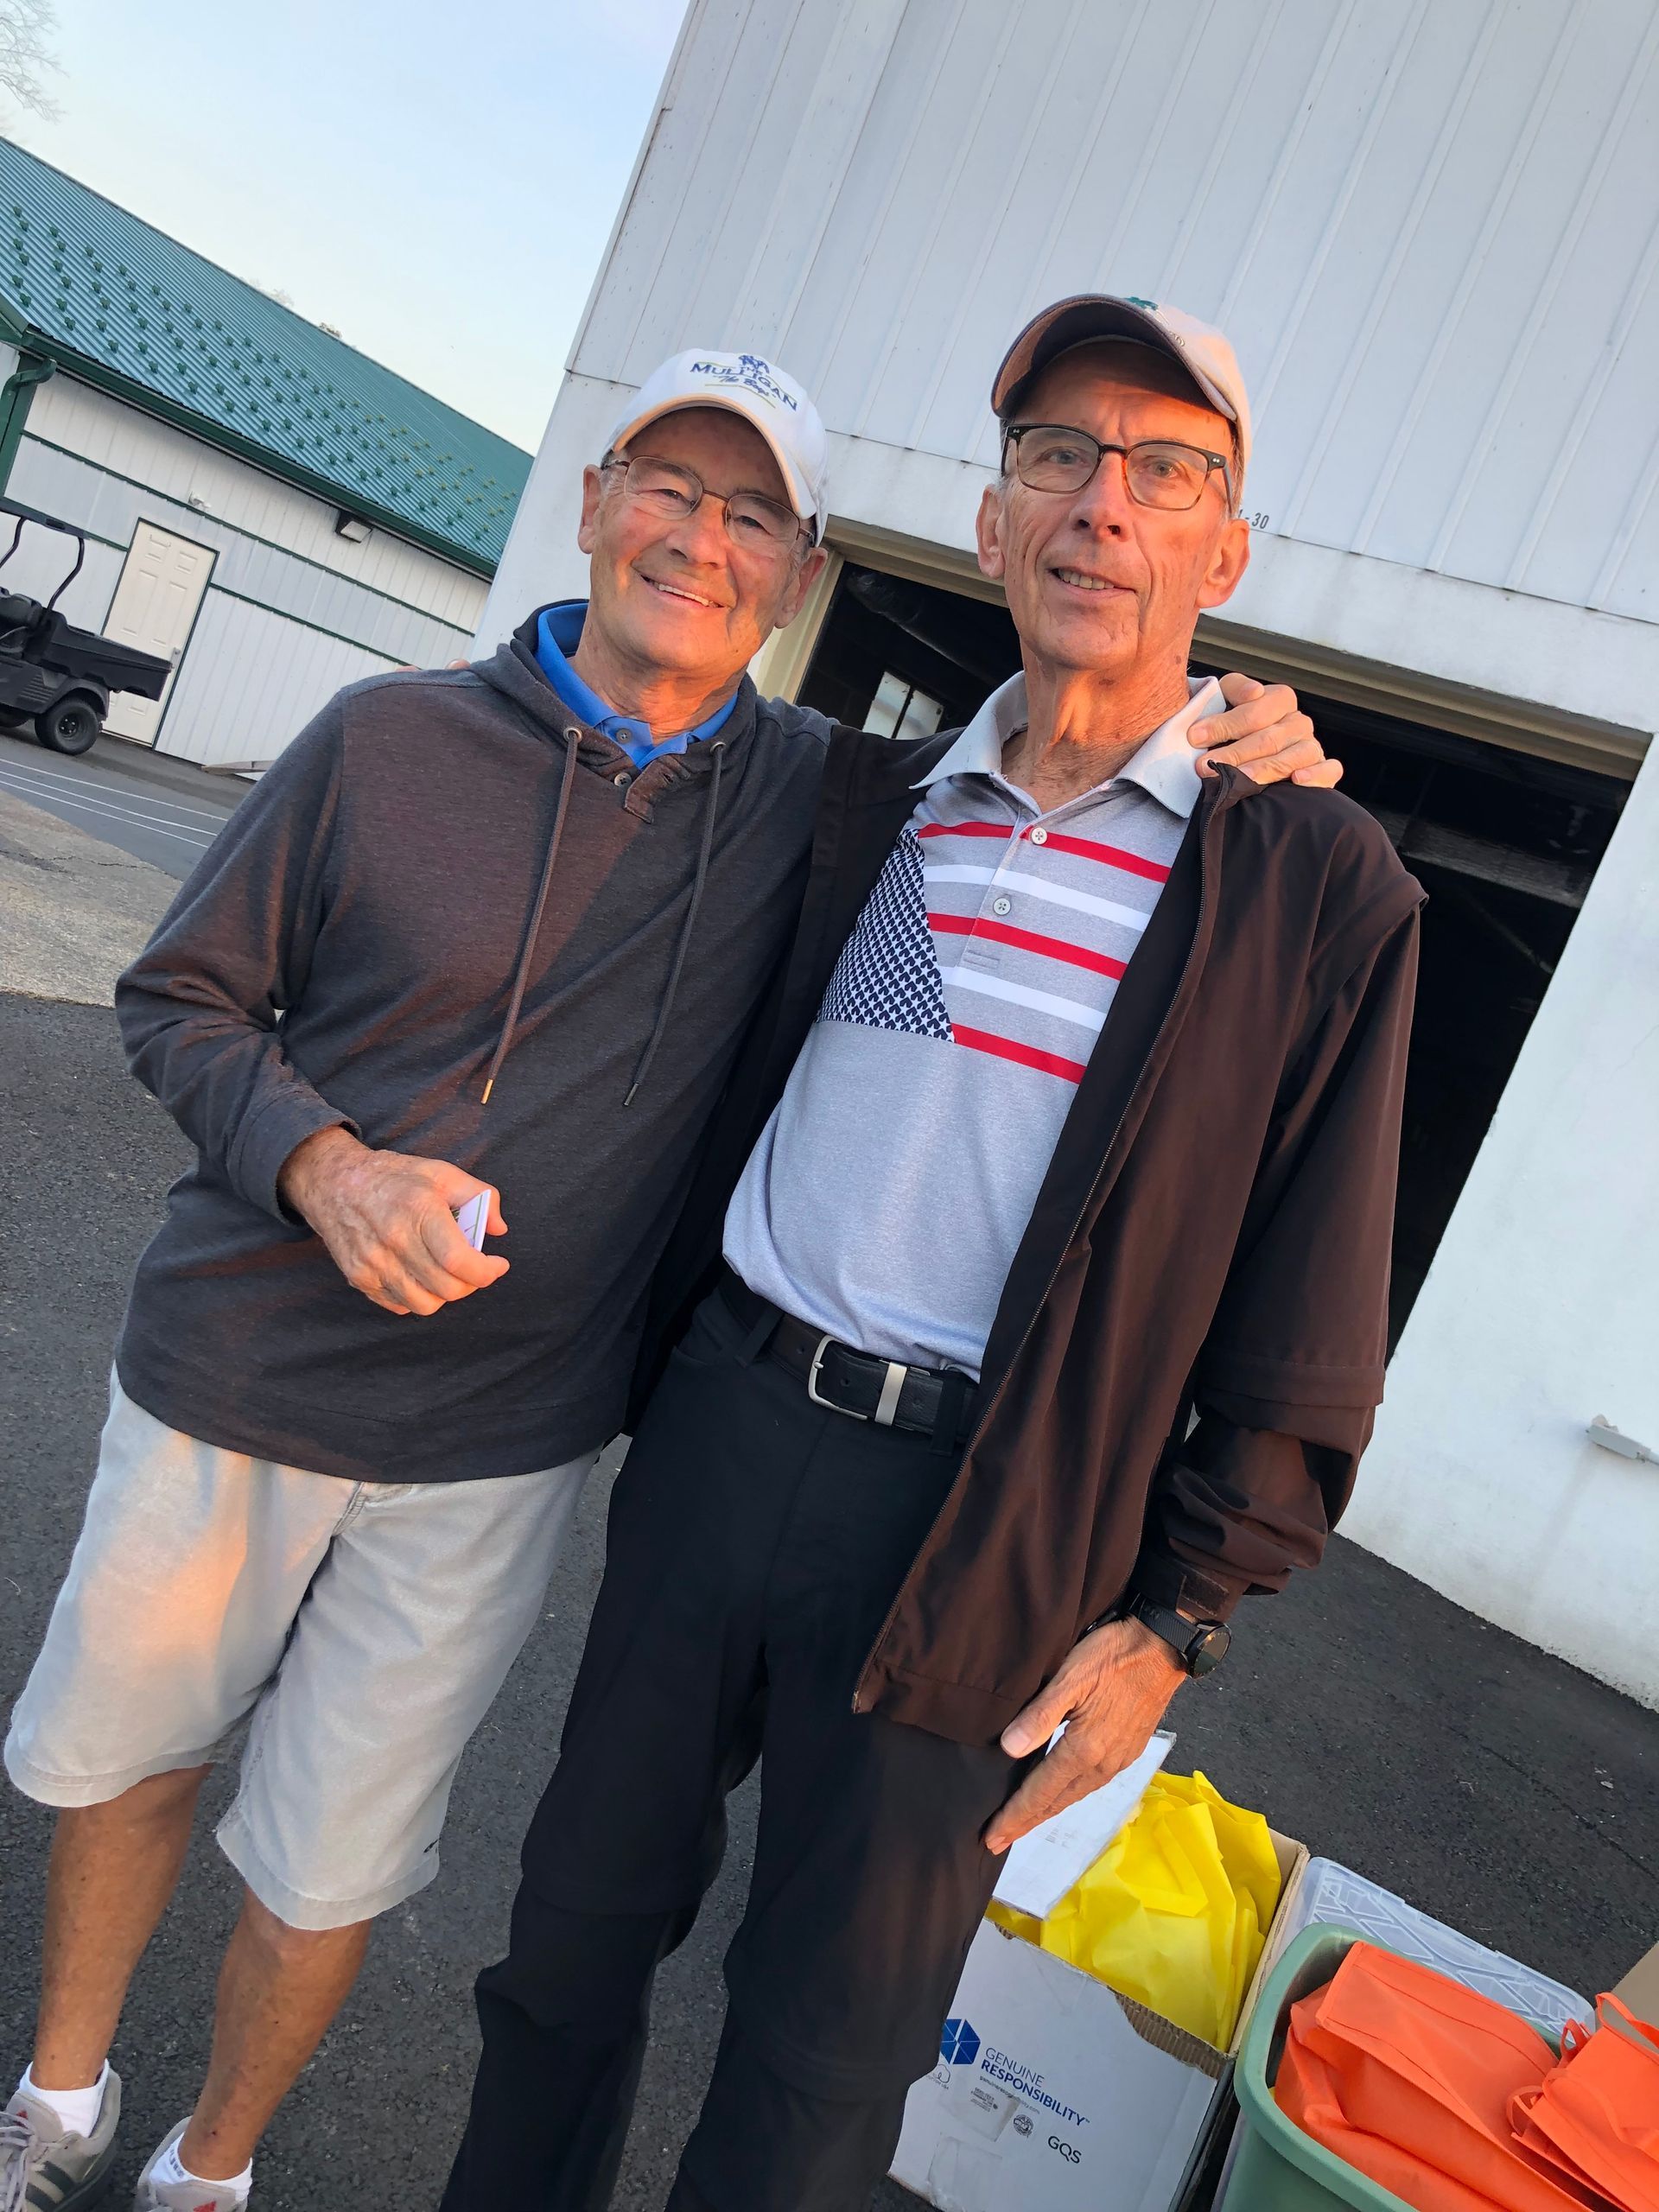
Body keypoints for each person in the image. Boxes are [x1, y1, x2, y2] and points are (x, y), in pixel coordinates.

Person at [0, 341, 1327, 2212]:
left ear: (797, 572)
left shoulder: (1039, 832)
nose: (701, 541)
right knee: (399, 1878)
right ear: (598, 500)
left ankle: (205, 2169)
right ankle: (70, 2113)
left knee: (656, 1991)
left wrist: (1183, 1606)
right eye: (669, 488)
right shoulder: (554, 762)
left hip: (739, 1479)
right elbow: (181, 994)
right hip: (486, 1398)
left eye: (754, 513)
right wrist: (325, 1160)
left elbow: (1304, 1277)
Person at [442, 296, 1424, 2212]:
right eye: (1057, 455)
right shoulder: (857, 804)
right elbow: (620, 706)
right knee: (563, 1943)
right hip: (728, 1427)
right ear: (991, 524)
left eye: (1166, 469)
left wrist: (1185, 1613)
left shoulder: (1307, 883)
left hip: (994, 1529)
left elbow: (1319, 1296)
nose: (1101, 506)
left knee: (822, 2068)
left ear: (1227, 550)